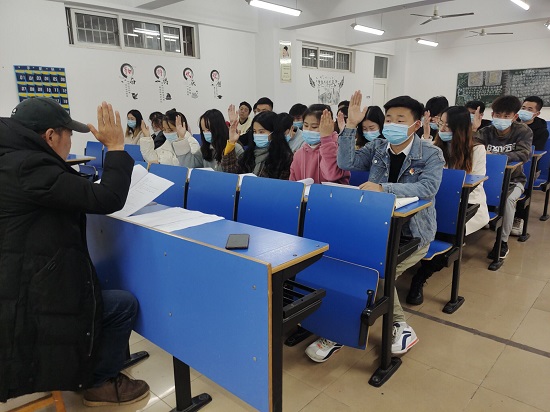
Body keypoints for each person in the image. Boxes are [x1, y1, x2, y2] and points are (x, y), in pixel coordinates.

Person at [0, 97, 149, 405]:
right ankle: (97, 383)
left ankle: (82, 366)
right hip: (31, 302)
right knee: (123, 305)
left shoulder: (12, 158)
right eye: (68, 134)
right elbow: (108, 198)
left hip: (17, 285)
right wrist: (116, 148)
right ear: (50, 136)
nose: (70, 141)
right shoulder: (30, 166)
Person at [301, 91, 444, 363]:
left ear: (416, 124)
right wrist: (350, 127)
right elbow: (346, 162)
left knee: (377, 276)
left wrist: (383, 188)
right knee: (344, 267)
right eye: (388, 119)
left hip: (414, 233)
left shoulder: (431, 153)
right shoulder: (378, 147)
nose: (392, 124)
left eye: (400, 120)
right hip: (375, 229)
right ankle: (339, 327)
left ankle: (396, 325)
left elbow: (428, 188)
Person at [407, 105, 489, 305]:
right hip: (434, 198)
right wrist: (427, 136)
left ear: (460, 129)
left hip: (466, 201)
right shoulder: (436, 147)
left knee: (448, 235)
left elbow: (474, 184)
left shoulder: (476, 149)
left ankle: (420, 277)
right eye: (441, 124)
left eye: (448, 126)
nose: (442, 130)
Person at [476, 95, 533, 257]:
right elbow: (472, 148)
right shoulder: (485, 131)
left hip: (514, 180)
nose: (501, 119)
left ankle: (502, 242)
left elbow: (524, 154)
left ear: (515, 117)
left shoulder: (523, 131)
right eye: (498, 115)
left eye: (506, 116)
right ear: (492, 114)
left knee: (507, 201)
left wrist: (494, 156)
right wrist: (473, 131)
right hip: (487, 180)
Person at [223, 110, 293, 179]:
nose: (257, 135)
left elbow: (282, 183)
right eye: (254, 131)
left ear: (274, 132)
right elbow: (231, 173)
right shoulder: (249, 153)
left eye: (261, 132)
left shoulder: (285, 157)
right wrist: (231, 142)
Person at [290, 105, 349, 184]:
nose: (309, 130)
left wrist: (326, 139)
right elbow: (293, 183)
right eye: (306, 125)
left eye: (314, 127)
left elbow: (331, 175)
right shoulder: (299, 154)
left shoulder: (339, 147)